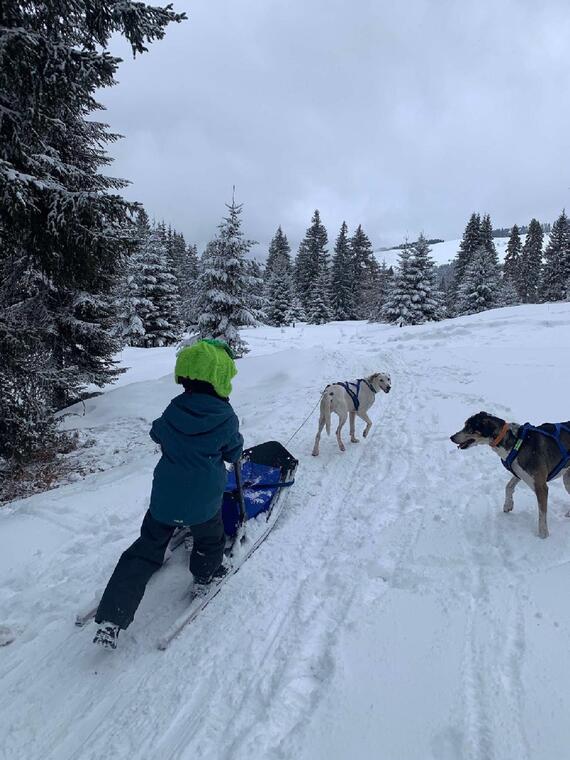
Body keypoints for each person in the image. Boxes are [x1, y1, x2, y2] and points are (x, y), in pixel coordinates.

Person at [93, 339, 243, 649]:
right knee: (210, 538)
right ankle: (204, 577)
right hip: (204, 503)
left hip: (165, 500)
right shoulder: (225, 417)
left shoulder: (174, 408)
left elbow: (156, 432)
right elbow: (233, 452)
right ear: (220, 379)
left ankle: (112, 617)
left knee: (144, 550)